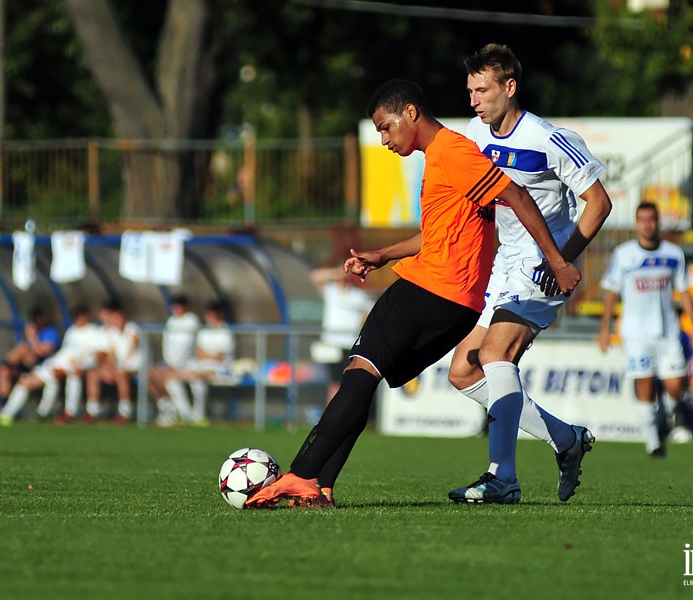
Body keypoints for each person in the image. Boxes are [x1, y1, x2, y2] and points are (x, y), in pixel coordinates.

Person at [244, 78, 580, 509]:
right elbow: (438, 234)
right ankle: (321, 486)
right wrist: (382, 254)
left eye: (386, 127)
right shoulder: (442, 157)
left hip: (431, 289)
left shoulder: (452, 152)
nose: (384, 139)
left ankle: (302, 474)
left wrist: (557, 260)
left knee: (358, 375)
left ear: (411, 114)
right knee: (364, 381)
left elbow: (515, 194)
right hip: (457, 304)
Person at [446, 43, 613, 504]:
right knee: (462, 372)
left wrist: (562, 260)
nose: (474, 100)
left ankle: (503, 479)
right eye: (470, 90)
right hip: (502, 267)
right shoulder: (473, 136)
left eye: (483, 90)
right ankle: (566, 439)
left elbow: (599, 203)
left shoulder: (547, 138)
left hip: (543, 269)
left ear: (510, 87)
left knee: (497, 353)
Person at [597, 201, 693, 457]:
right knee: (644, 386)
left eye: (652, 220)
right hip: (636, 334)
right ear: (636, 224)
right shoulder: (624, 255)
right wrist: (605, 328)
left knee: (677, 387)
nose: (648, 225)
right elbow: (611, 293)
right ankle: (652, 442)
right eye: (643, 220)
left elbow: (685, 291)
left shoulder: (674, 253)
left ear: (659, 223)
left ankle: (660, 419)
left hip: (668, 331)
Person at [0, 304, 105, 425]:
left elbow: (99, 354)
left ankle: (68, 412)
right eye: (76, 316)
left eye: (81, 316)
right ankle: (6, 414)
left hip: (73, 367)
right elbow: (64, 352)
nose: (78, 319)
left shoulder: (94, 332)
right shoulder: (72, 331)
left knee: (67, 376)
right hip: (55, 363)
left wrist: (79, 363)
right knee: (25, 381)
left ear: (87, 316)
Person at [0, 305, 61, 424]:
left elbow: (43, 351)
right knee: (4, 372)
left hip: (42, 367)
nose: (37, 321)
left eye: (39, 318)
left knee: (23, 348)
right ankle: (0, 409)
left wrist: (32, 336)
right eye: (35, 318)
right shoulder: (36, 332)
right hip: (25, 366)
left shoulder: (50, 332)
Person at [309, 264, 376, 405]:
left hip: (349, 344)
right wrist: (336, 272)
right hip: (332, 344)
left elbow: (371, 312)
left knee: (346, 383)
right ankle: (331, 416)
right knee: (334, 383)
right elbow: (315, 276)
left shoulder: (358, 296)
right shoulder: (331, 292)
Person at [163, 299, 235, 426]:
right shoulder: (204, 331)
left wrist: (207, 355)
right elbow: (198, 353)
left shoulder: (225, 332)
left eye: (213, 316)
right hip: (200, 366)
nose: (210, 318)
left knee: (197, 381)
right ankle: (185, 414)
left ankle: (199, 415)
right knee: (172, 380)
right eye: (208, 315)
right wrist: (207, 355)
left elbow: (219, 357)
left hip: (219, 368)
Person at [147, 295, 200, 425]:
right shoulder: (171, 321)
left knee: (170, 380)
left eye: (178, 306)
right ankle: (167, 407)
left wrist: (175, 364)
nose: (176, 308)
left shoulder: (192, 320)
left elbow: (187, 345)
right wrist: (168, 362)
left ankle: (183, 413)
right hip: (170, 363)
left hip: (187, 364)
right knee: (150, 376)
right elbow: (167, 343)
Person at [85, 301, 141, 423]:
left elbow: (133, 346)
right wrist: (107, 369)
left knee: (121, 375)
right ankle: (92, 411)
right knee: (93, 375)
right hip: (120, 366)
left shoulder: (132, 328)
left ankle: (125, 412)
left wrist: (121, 366)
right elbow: (112, 355)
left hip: (134, 365)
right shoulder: (112, 333)